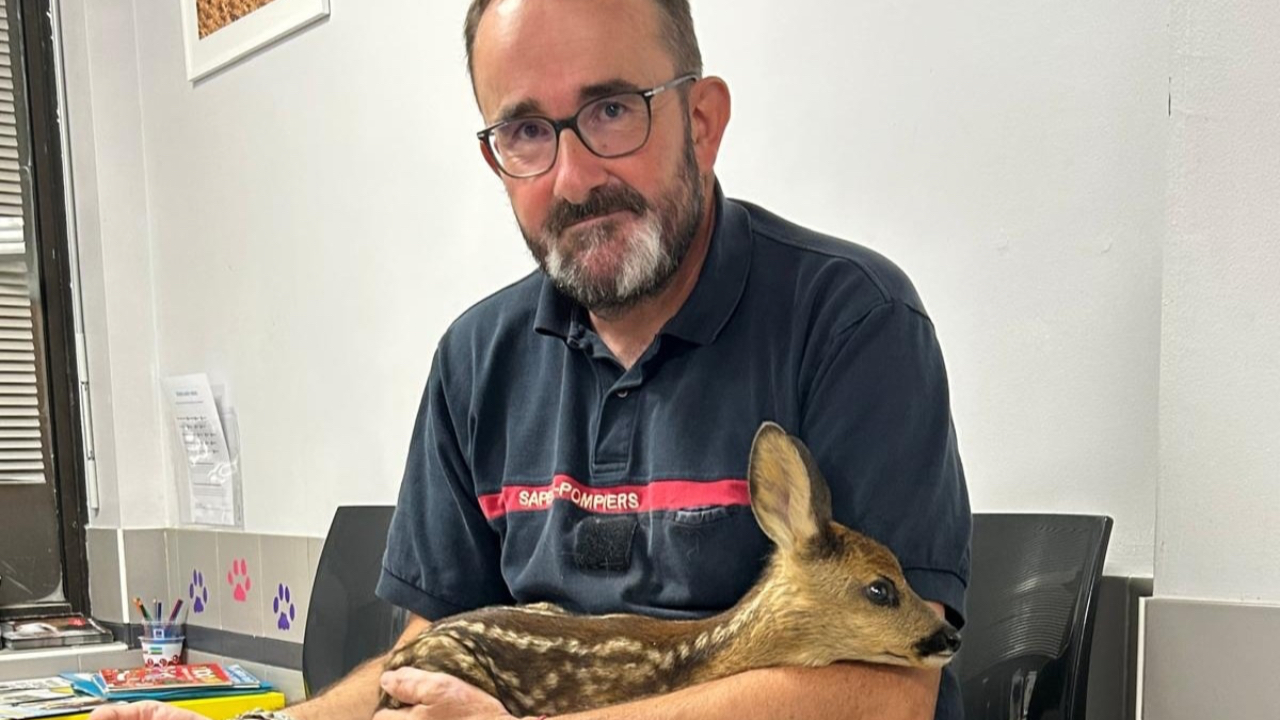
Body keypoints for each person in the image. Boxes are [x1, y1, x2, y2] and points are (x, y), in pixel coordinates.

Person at [91, 1, 970, 719]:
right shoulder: (479, 358)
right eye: (524, 131)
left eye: (611, 109)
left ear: (701, 121)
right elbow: (429, 659)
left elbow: (885, 693)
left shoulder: (851, 319)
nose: (573, 175)